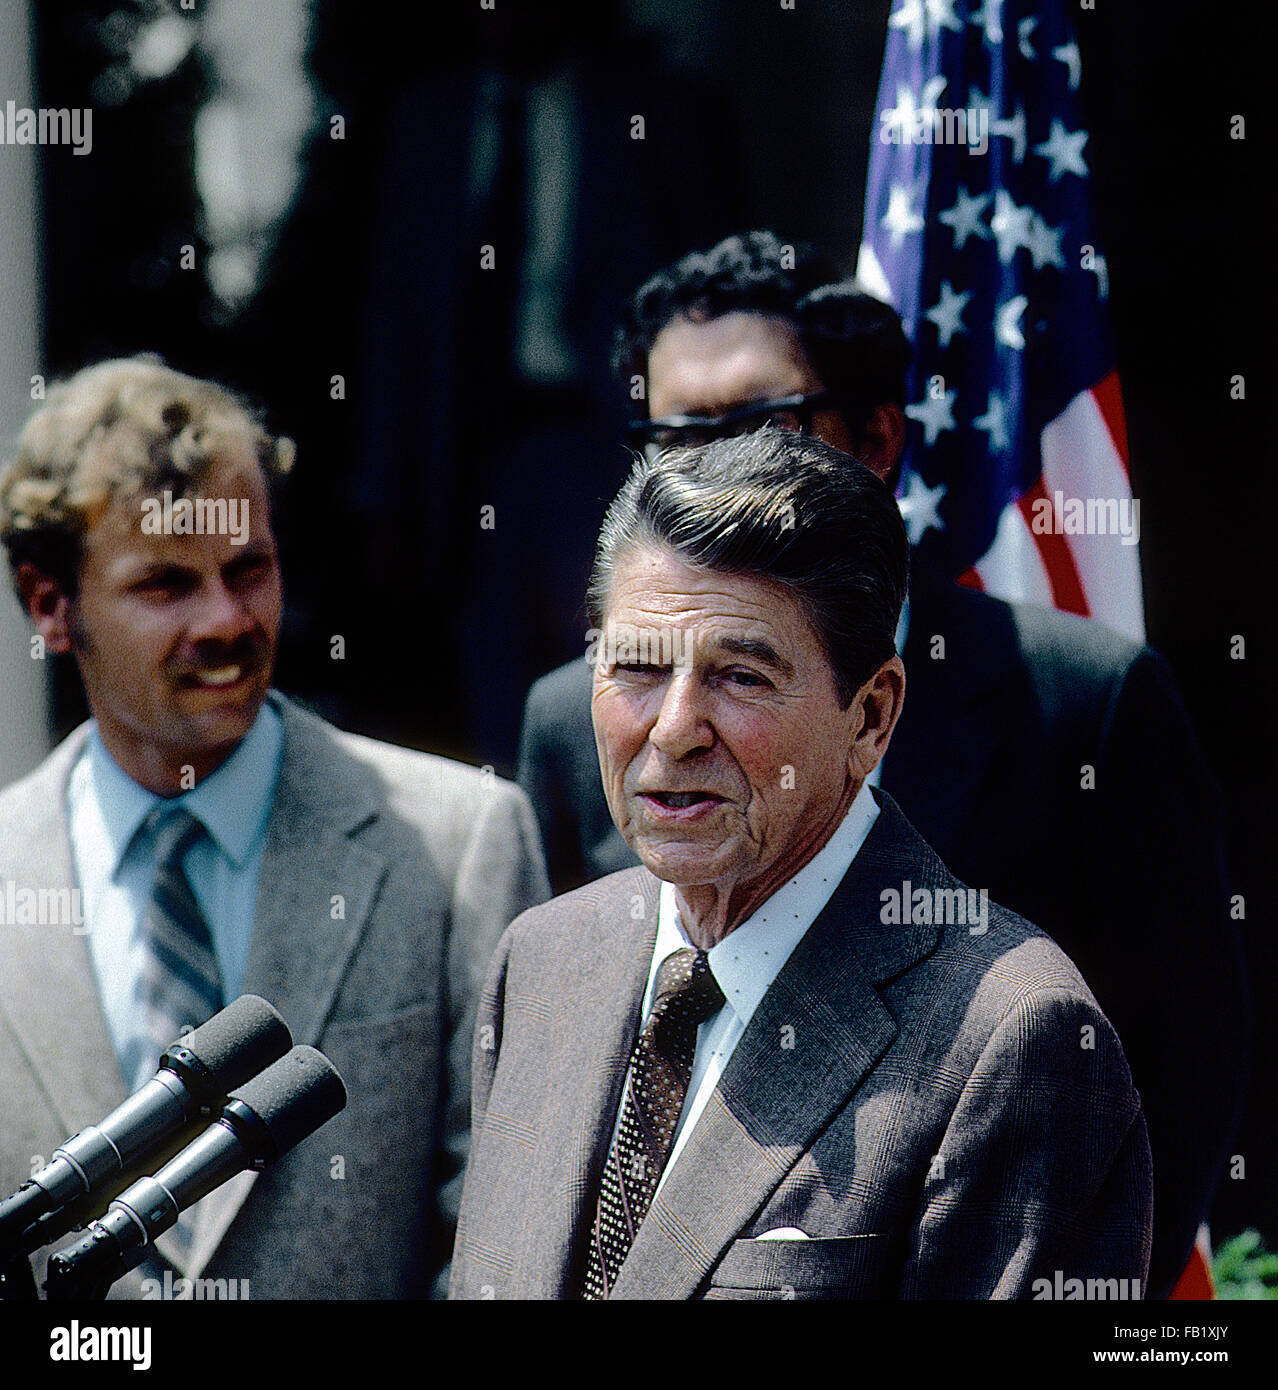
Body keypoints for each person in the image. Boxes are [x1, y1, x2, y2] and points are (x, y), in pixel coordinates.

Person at [515, 231, 1248, 1300]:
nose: (678, 729)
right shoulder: (574, 726)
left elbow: (1189, 1060)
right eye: (678, 436)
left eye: (766, 425)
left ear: (875, 439)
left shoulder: (1079, 700)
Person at [453, 429, 1152, 1300]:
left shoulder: (1011, 1040)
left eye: (740, 677)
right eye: (634, 665)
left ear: (870, 719)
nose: (673, 729)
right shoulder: (543, 959)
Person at [0, 358, 549, 1299]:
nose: (226, 620)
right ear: (50, 605)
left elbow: (511, 1235)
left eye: (248, 569)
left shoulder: (460, 845)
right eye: (166, 585)